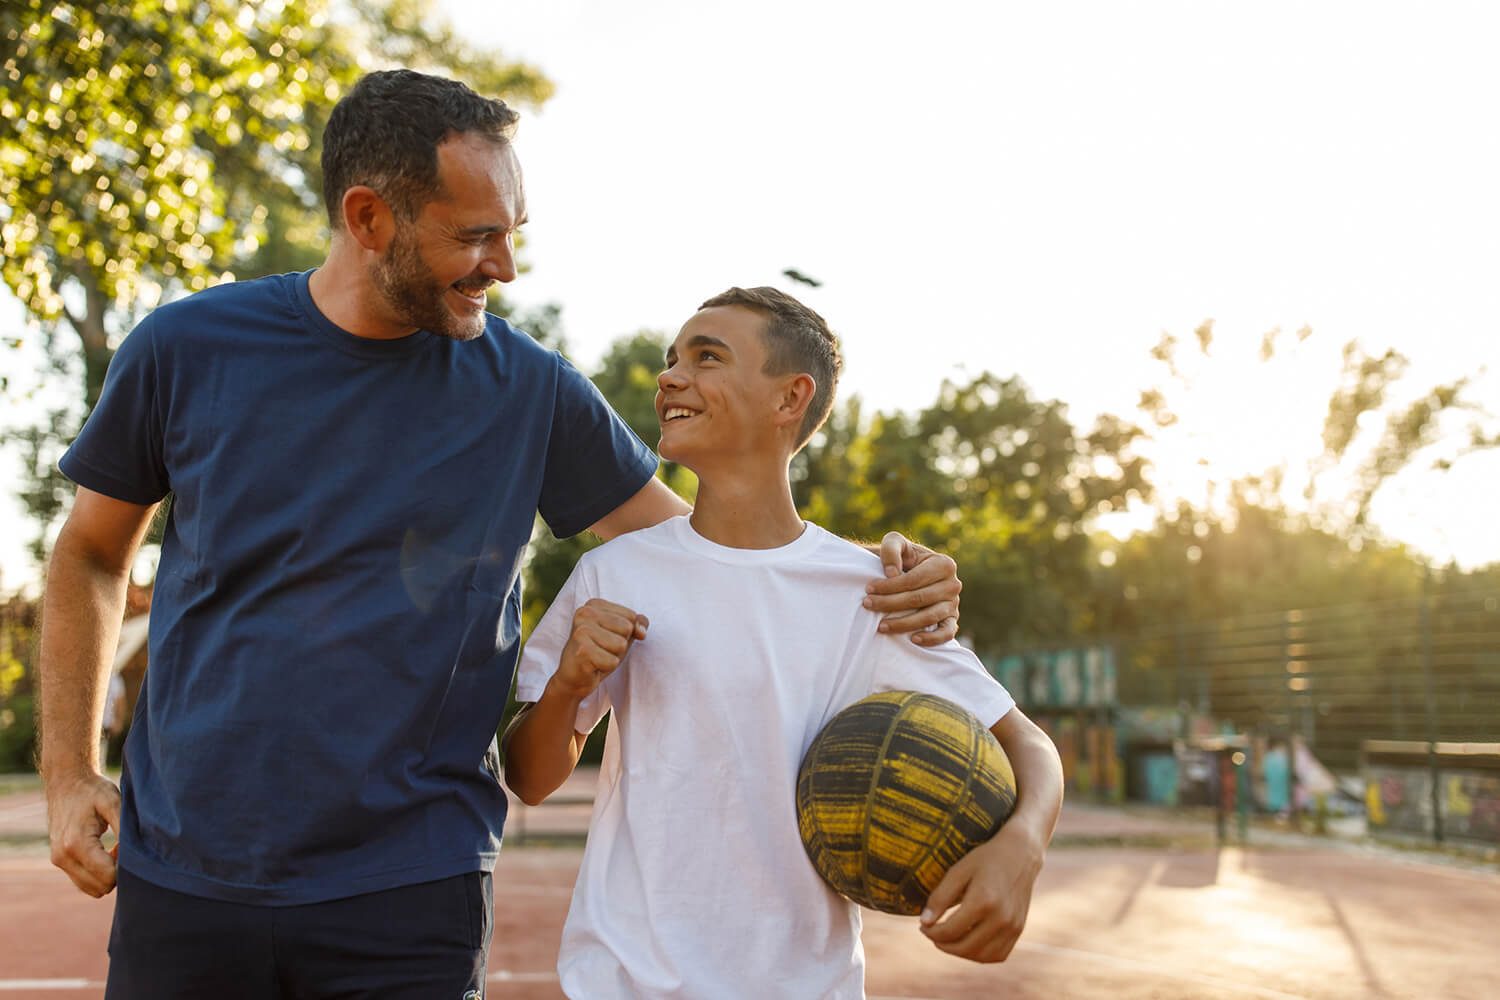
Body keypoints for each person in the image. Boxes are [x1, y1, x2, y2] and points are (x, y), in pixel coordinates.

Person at [37, 71, 962, 997]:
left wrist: (872, 575)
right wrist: (70, 773)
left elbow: (714, 554)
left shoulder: (531, 389)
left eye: (514, 232)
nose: (505, 267)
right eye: (476, 235)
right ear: (368, 218)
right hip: (185, 872)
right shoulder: (186, 348)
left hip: (413, 887)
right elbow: (90, 554)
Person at [504, 287, 1065, 998]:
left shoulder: (871, 592)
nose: (670, 377)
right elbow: (529, 778)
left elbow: (1027, 744)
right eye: (672, 360)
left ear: (790, 398)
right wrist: (566, 687)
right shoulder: (613, 573)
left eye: (707, 358)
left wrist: (1022, 844)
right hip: (625, 983)